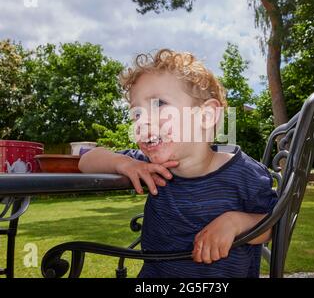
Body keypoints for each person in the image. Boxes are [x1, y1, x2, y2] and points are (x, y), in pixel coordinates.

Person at [78, 49, 278, 278]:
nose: (142, 121)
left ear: (206, 116)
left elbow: (273, 225)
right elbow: (87, 159)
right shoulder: (150, 166)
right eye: (136, 114)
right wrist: (123, 163)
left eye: (159, 104)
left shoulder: (245, 173)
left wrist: (236, 222)